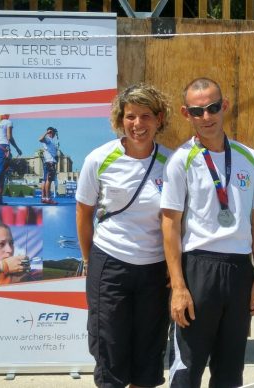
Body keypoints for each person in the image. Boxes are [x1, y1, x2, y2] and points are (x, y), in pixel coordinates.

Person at [161, 78, 254, 388]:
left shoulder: (249, 157)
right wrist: (179, 286)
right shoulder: (180, 161)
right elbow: (169, 224)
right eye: (197, 111)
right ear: (186, 113)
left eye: (211, 108)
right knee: (188, 368)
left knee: (230, 370)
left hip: (238, 270)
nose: (206, 117)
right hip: (198, 268)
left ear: (224, 107)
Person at [76, 83, 172, 388]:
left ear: (159, 119)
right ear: (120, 119)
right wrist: (90, 260)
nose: (138, 124)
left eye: (146, 116)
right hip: (110, 264)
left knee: (148, 352)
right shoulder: (99, 158)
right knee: (109, 349)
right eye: (130, 116)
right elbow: (83, 212)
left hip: (155, 268)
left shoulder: (171, 163)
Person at [0, 114, 22, 205]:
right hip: (2, 148)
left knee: (0, 174)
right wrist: (17, 148)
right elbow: (9, 137)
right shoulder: (8, 122)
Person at [39, 126, 59, 205]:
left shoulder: (50, 141)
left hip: (47, 162)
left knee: (44, 180)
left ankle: (43, 198)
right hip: (50, 162)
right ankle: (48, 198)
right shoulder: (48, 139)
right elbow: (40, 139)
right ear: (51, 132)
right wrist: (47, 133)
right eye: (53, 132)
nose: (54, 134)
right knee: (49, 180)